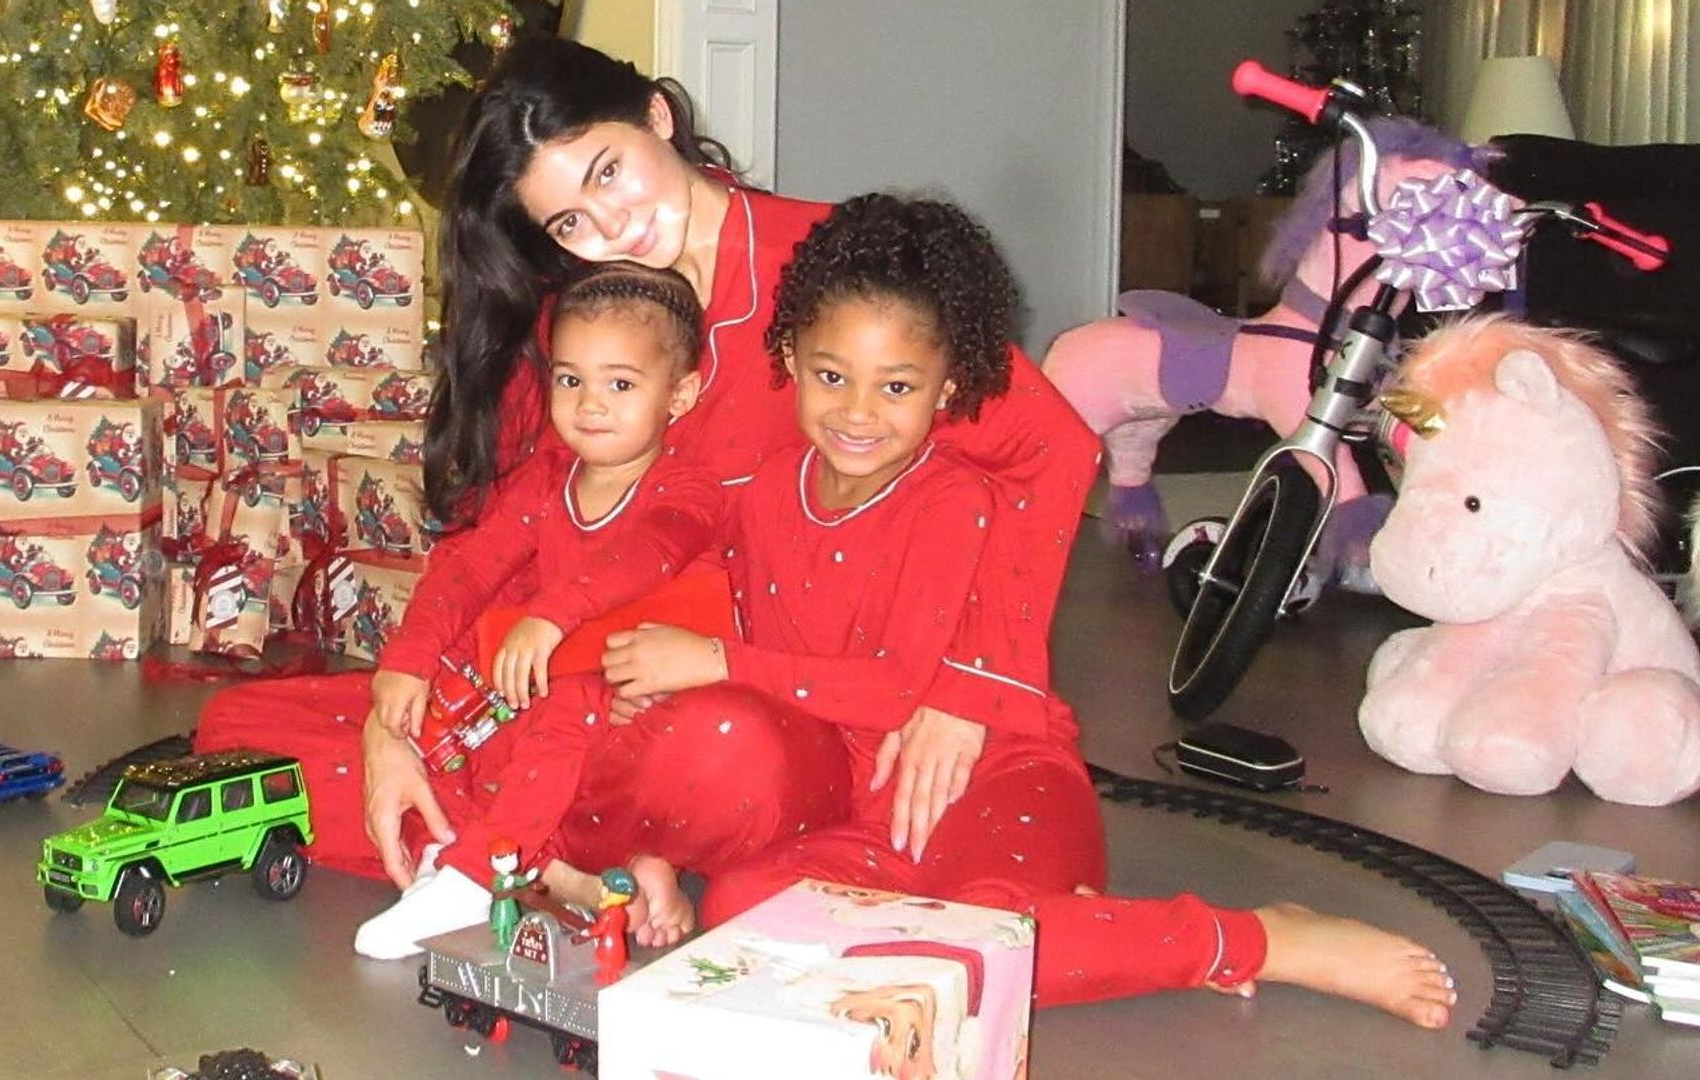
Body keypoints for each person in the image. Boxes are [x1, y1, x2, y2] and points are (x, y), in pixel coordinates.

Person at [193, 35, 1099, 952]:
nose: (609, 228)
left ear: (657, 119)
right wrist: (405, 702)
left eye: (610, 172)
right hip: (584, 692)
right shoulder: (583, 319)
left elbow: (1050, 450)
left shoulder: (834, 274)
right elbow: (509, 530)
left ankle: (511, 847)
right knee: (239, 734)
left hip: (767, 712)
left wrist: (971, 683)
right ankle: (553, 860)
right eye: (568, 224)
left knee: (717, 751)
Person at [592, 193, 1457, 1027]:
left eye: (896, 388)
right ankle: (1053, 930)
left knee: (989, 944)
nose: (857, 412)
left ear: (950, 387)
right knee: (745, 904)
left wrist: (717, 664)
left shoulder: (953, 500)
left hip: (1001, 775)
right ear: (788, 360)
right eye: (831, 376)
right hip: (866, 815)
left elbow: (893, 688)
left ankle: (1254, 939)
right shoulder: (767, 495)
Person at [333, 262, 743, 957]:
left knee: (559, 713)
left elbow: (648, 554)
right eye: (569, 378)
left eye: (621, 383)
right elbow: (470, 567)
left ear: (680, 395)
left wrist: (552, 614)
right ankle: (597, 874)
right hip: (563, 683)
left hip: (646, 704)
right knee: (454, 728)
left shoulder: (689, 489)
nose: (589, 404)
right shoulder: (548, 482)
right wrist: (408, 661)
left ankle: (472, 878)